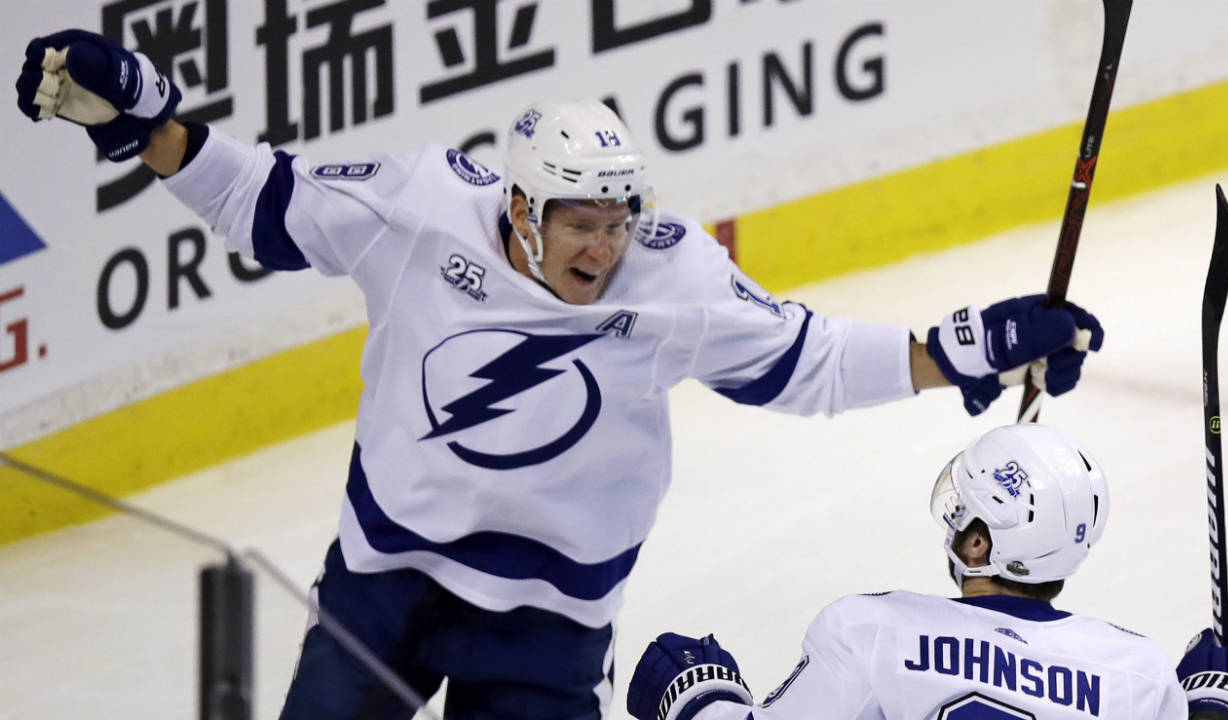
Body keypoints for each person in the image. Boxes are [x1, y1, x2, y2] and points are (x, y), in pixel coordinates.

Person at [17, 31, 1108, 719]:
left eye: (616, 219)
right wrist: (147, 120)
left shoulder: (672, 275)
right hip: (384, 582)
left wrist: (959, 349)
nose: (602, 245)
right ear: (520, 207)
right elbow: (255, 198)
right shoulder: (420, 210)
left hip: (547, 622)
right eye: (578, 222)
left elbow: (807, 360)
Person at [626, 424, 1228, 720]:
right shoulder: (1137, 675)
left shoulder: (871, 630)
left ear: (978, 544)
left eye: (963, 511)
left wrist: (695, 694)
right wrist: (1220, 709)